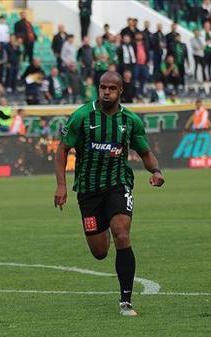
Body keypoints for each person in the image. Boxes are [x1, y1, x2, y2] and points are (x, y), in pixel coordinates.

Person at [54, 71, 164, 317]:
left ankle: (126, 301)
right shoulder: (82, 116)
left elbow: (145, 153)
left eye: (111, 88)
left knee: (122, 235)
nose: (106, 92)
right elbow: (62, 151)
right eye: (102, 87)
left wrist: (156, 170)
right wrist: (61, 186)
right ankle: (104, 225)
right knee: (100, 252)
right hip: (88, 190)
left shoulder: (130, 121)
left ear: (120, 90)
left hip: (118, 183)